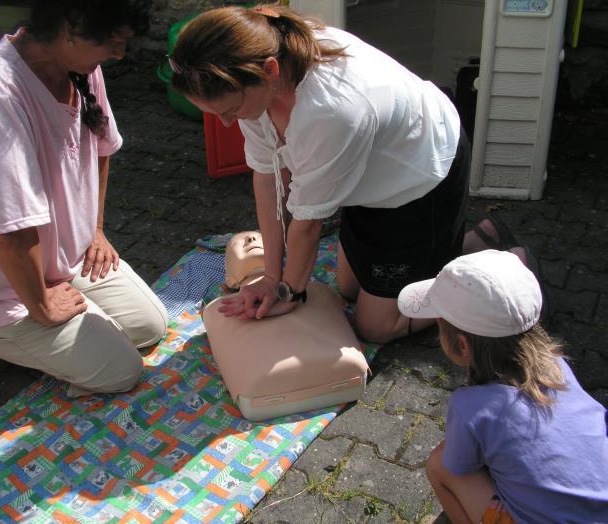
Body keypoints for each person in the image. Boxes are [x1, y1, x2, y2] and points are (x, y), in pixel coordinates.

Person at [169, 3, 478, 344]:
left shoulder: (331, 110)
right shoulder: (261, 68)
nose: (227, 122)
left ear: (269, 70)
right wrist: (272, 275)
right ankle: (457, 244)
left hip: (420, 180)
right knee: (348, 288)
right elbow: (269, 178)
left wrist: (290, 293)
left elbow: (308, 225)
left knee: (375, 327)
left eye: (230, 110)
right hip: (369, 178)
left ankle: (494, 267)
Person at [0, 0, 168, 397]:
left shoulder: (82, 69)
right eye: (114, 41)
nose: (120, 54)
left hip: (61, 256)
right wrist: (40, 307)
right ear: (72, 25)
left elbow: (101, 149)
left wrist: (96, 231)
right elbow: (9, 232)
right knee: (120, 371)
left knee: (149, 325)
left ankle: (0, 335)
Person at [397, 250, 608, 523]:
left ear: (462, 345)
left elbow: (458, 465)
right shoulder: (557, 366)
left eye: (439, 324)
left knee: (440, 465)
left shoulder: (472, 408)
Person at [203, 231, 368, 421]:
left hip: (266, 390)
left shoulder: (316, 291)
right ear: (229, 279)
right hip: (342, 373)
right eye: (239, 242)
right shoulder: (218, 309)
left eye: (259, 236)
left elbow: (307, 227)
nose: (251, 239)